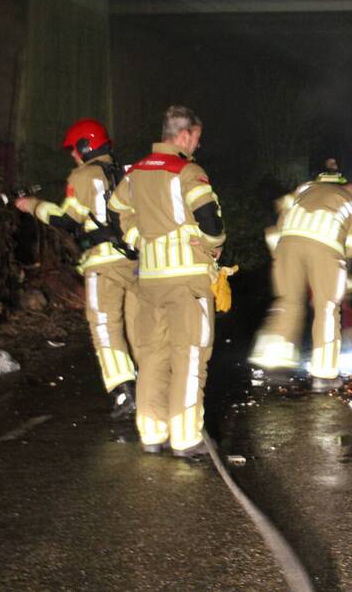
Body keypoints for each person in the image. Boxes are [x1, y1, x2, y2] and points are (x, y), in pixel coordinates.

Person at [109, 105, 225, 458]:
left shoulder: (136, 173)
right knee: (190, 356)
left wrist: (137, 241)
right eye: (197, 138)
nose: (198, 146)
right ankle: (187, 438)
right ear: (185, 134)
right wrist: (212, 246)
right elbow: (210, 219)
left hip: (151, 281)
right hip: (187, 281)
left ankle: (152, 432)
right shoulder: (187, 170)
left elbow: (116, 214)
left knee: (154, 357)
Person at [15, 118, 138, 419]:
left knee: (105, 327)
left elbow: (67, 221)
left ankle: (124, 393)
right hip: (136, 262)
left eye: (73, 149)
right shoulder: (127, 174)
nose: (72, 155)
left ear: (85, 147)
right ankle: (154, 388)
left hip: (103, 264)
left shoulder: (84, 175)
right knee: (139, 328)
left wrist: (32, 206)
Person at [249, 179, 352, 390]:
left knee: (288, 302)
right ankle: (324, 375)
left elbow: (281, 206)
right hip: (325, 247)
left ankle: (274, 365)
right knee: (327, 308)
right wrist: (344, 281)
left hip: (285, 243)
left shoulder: (309, 188)